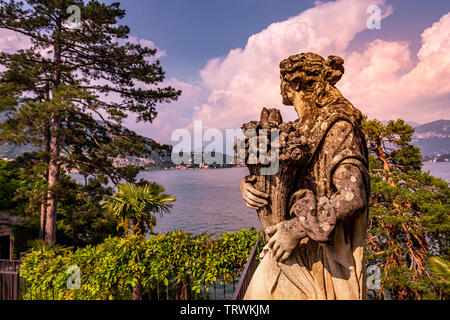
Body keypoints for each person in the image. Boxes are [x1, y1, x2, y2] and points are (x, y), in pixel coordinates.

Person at [241, 52, 370, 300]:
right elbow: (276, 180)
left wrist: (296, 229)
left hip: (320, 256)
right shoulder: (296, 131)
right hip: (286, 250)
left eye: (281, 79)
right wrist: (248, 185)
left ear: (295, 83)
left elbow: (353, 197)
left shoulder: (338, 127)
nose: (280, 86)